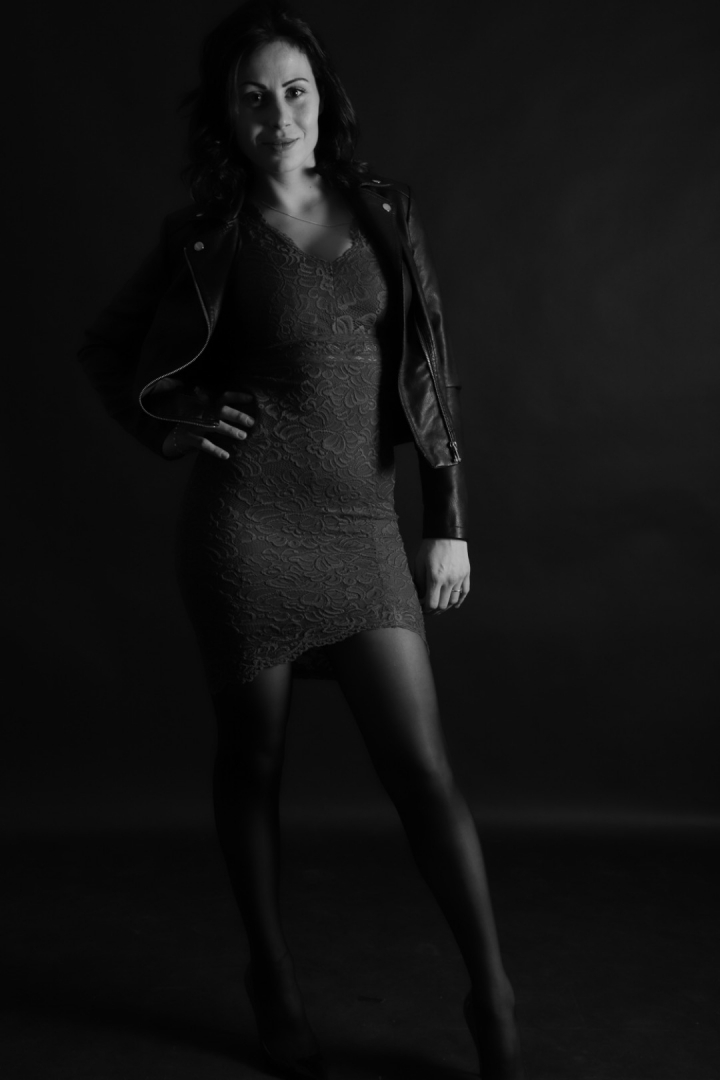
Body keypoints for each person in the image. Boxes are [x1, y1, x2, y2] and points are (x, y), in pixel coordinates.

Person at [78, 3, 523, 1077]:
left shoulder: (385, 210)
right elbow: (108, 352)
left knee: (422, 772)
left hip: (363, 528)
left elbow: (430, 369)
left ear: (323, 100)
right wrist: (180, 421)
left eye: (295, 91)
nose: (278, 116)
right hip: (246, 528)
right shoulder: (206, 236)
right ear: (226, 116)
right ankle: (271, 980)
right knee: (255, 759)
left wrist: (447, 521)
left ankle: (493, 997)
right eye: (253, 97)